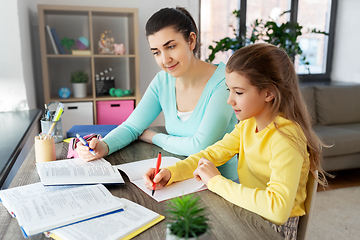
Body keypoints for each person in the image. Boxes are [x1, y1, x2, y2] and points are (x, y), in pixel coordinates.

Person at [143, 43, 329, 240]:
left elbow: (278, 210)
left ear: (268, 93)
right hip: (248, 211)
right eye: (229, 90)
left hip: (272, 229)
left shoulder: (285, 138)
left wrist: (216, 181)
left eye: (238, 92)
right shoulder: (247, 124)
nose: (229, 100)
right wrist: (172, 172)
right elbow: (212, 154)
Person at [76, 7, 238, 180]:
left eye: (171, 47)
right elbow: (132, 127)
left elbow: (200, 146)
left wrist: (154, 137)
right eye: (156, 52)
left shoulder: (224, 82)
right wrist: (104, 145)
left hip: (218, 187)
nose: (164, 59)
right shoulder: (163, 81)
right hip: (175, 177)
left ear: (191, 41)